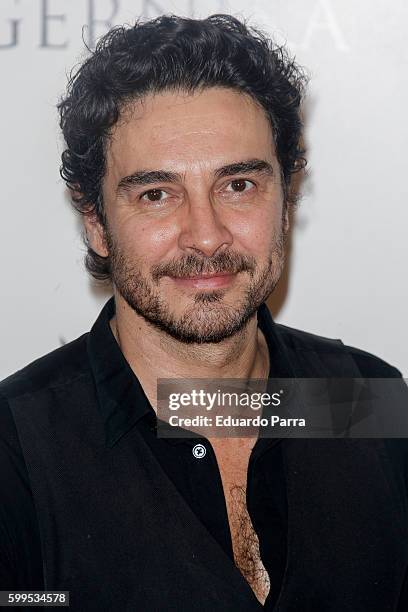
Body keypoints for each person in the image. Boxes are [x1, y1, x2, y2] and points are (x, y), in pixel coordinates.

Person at [0, 13, 407, 611]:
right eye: (156, 194)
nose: (208, 237)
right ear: (96, 223)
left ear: (286, 201)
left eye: (238, 184)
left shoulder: (366, 400)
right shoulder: (16, 451)